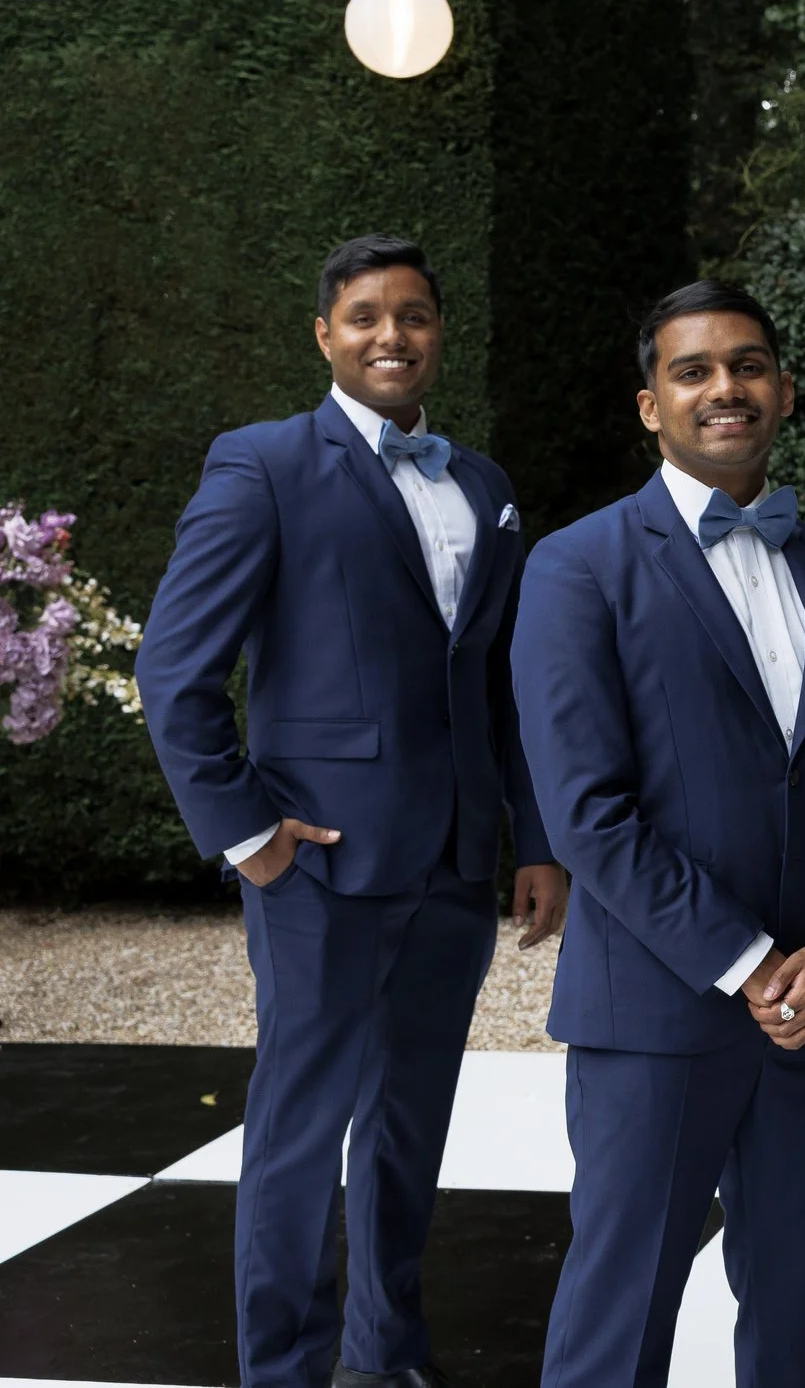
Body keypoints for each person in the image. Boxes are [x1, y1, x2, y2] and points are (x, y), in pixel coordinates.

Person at [137, 234, 568, 1388]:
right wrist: (246, 829)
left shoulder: (484, 483)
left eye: (414, 314)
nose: (393, 334)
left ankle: (389, 1358)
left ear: (438, 333)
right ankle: (282, 1369)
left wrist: (534, 838)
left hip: (451, 865)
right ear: (325, 334)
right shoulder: (262, 463)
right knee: (295, 1132)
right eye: (366, 315)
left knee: (408, 1129)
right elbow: (173, 667)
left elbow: (497, 682)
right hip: (316, 861)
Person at [513, 280, 805, 1388]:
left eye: (745, 365)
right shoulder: (575, 565)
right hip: (655, 1010)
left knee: (795, 1311)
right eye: (692, 369)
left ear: (783, 390)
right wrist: (747, 964)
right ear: (651, 405)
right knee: (618, 1314)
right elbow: (590, 813)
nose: (722, 387)